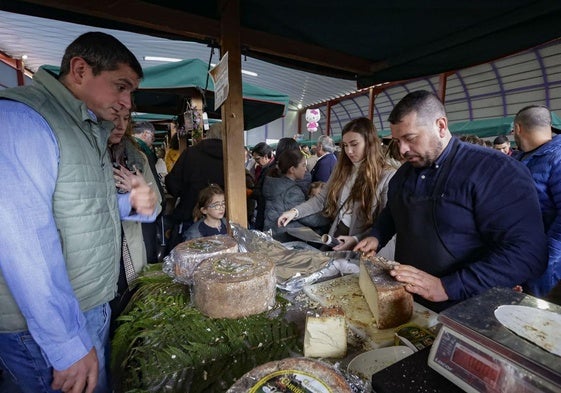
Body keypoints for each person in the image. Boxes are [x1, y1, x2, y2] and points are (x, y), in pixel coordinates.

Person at [0, 32, 157, 393]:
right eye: (121, 86)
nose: (127, 103)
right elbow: (22, 241)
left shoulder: (83, 127)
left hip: (86, 308)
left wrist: (133, 204)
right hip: (43, 330)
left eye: (131, 92)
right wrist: (66, 344)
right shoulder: (23, 118)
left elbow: (79, 208)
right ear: (80, 69)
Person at [354, 90, 548, 312]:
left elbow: (527, 253)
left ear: (441, 126)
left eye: (410, 138)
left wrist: (448, 286)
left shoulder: (494, 170)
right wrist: (377, 236)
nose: (402, 150)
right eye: (397, 141)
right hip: (410, 299)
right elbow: (393, 211)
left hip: (469, 306)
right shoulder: (404, 174)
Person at [278, 117, 396, 251]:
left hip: (363, 244)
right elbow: (322, 199)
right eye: (345, 145)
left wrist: (356, 239)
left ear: (369, 143)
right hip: (337, 234)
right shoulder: (342, 169)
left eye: (354, 144)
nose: (349, 151)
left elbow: (385, 222)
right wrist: (295, 212)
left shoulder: (387, 176)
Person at [108, 109, 161, 331]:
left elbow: (156, 205)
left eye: (126, 119)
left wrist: (138, 189)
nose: (120, 125)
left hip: (130, 242)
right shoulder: (89, 151)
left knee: (129, 301)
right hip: (98, 246)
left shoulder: (137, 156)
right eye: (114, 118)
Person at [512, 105, 561, 297]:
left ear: (517, 128)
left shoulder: (556, 159)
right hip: (521, 254)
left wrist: (545, 257)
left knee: (538, 316)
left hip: (545, 265)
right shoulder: (522, 157)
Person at [166, 123, 225, 244]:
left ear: (207, 135)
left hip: (189, 214)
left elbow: (173, 185)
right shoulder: (233, 157)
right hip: (223, 219)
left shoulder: (190, 153)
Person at [263, 150, 329, 241]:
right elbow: (308, 218)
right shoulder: (292, 191)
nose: (305, 169)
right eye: (303, 165)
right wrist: (328, 218)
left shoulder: (274, 183)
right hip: (284, 237)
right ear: (292, 169)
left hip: (272, 232)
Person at [132, 121, 166, 263]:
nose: (152, 143)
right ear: (146, 134)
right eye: (152, 138)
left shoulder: (137, 150)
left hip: (140, 209)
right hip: (141, 211)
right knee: (146, 247)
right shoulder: (140, 151)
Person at [250, 142, 275, 230]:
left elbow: (266, 192)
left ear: (265, 156)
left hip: (266, 210)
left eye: (257, 159)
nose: (256, 162)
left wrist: (250, 192)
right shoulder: (266, 167)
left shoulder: (273, 170)